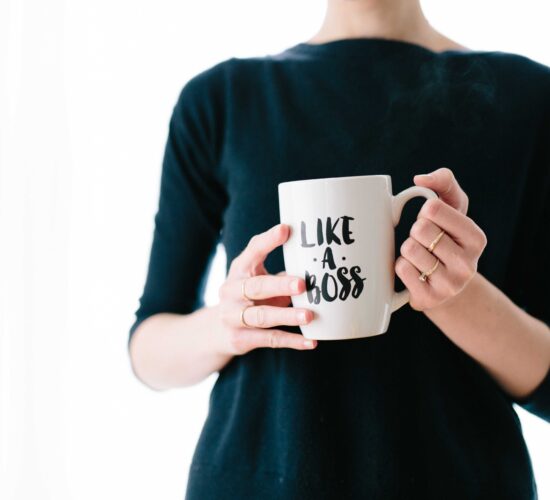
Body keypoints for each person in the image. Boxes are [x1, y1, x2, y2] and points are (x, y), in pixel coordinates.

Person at [128, 0, 550, 498]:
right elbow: (148, 350)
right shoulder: (221, 100)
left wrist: (456, 295)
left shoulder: (529, 98)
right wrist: (228, 323)